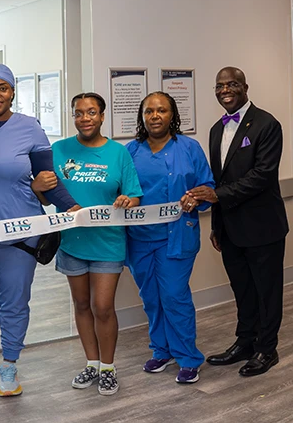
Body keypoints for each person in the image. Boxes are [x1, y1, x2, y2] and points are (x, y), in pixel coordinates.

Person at [0, 63, 78, 397]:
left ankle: (8, 364)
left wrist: (74, 209)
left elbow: (48, 180)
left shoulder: (30, 128)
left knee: (14, 301)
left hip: (21, 231)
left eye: (3, 88)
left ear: (13, 92)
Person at [190, 67, 288, 377]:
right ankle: (244, 342)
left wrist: (217, 197)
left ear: (245, 87)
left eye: (231, 84)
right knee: (242, 289)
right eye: (219, 85)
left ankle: (266, 349)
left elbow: (262, 176)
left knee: (266, 291)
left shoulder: (267, 124)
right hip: (231, 228)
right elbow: (219, 178)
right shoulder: (217, 128)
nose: (225, 90)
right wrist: (217, 225)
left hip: (262, 226)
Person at [47, 92, 142, 396]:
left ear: (102, 116)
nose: (84, 118)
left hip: (108, 242)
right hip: (71, 243)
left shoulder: (118, 153)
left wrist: (128, 200)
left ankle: (108, 368)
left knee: (103, 307)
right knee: (82, 305)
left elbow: (134, 194)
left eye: (91, 112)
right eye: (78, 113)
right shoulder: (58, 150)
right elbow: (46, 192)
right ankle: (91, 362)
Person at [125, 91, 214, 384]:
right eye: (149, 111)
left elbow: (207, 186)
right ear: (142, 116)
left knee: (174, 296)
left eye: (161, 110)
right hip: (140, 239)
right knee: (151, 298)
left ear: (172, 115)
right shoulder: (130, 151)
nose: (155, 116)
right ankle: (161, 350)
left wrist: (196, 198)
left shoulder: (189, 148)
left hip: (176, 237)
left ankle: (188, 357)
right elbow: (120, 188)